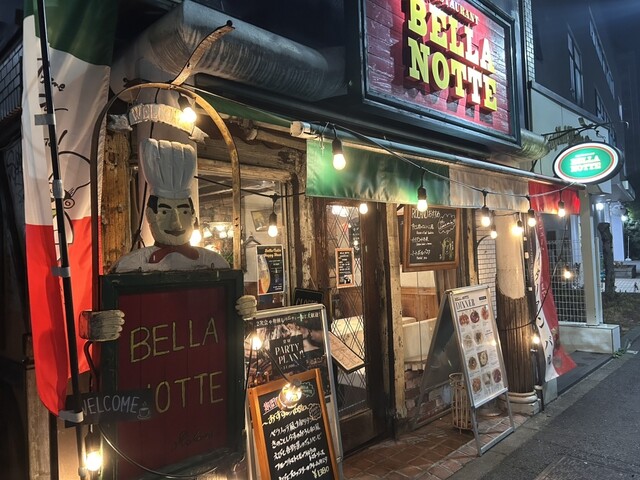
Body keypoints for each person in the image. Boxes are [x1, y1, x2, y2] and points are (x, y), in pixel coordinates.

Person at [83, 138, 255, 342]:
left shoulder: (215, 263)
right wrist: (94, 324)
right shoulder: (130, 265)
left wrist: (245, 310)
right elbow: (108, 316)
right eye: (165, 212)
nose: (176, 223)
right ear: (150, 215)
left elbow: (232, 324)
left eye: (183, 212)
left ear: (193, 216)